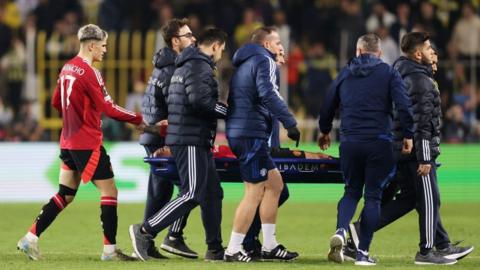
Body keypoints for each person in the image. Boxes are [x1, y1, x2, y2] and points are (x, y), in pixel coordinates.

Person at [17, 24, 145, 261]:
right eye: (104, 46)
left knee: (65, 194)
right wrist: (138, 119)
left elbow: (56, 102)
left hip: (66, 140)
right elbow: (109, 108)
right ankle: (110, 251)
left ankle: (30, 238)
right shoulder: (90, 72)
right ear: (92, 45)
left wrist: (73, 117)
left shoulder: (66, 68)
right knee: (109, 190)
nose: (105, 50)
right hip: (86, 142)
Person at [344, 33, 474, 265]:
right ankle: (426, 252)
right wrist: (425, 156)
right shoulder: (420, 81)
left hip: (398, 147)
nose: (432, 51)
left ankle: (441, 244)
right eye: (428, 47)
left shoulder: (401, 74)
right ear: (417, 54)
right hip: (414, 151)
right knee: (429, 197)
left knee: (414, 198)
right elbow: (422, 122)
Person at [129, 27, 228, 262]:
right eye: (221, 49)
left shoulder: (184, 65)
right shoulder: (197, 66)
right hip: (190, 138)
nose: (221, 54)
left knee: (212, 192)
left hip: (193, 137)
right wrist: (226, 110)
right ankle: (144, 231)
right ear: (215, 46)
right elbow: (199, 101)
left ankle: (214, 249)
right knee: (192, 192)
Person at [318, 33, 414, 266]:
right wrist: (409, 134)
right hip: (379, 141)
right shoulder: (389, 73)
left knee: (351, 191)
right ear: (379, 53)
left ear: (358, 51)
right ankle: (362, 253)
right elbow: (404, 105)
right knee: (373, 196)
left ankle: (340, 231)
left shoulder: (345, 72)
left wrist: (324, 130)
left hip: (350, 142)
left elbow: (328, 101)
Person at [224, 26, 300, 262]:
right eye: (278, 42)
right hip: (250, 134)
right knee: (254, 191)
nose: (282, 47)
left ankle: (269, 245)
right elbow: (268, 94)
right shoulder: (263, 61)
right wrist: (289, 121)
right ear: (266, 45)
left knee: (275, 185)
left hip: (242, 131)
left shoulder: (247, 63)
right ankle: (233, 249)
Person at [138, 18, 198, 259]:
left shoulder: (163, 65)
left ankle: (148, 241)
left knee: (161, 191)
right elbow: (175, 105)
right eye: (188, 35)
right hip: (164, 137)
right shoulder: (175, 68)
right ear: (176, 41)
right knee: (190, 187)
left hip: (155, 136)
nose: (193, 39)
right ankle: (166, 237)